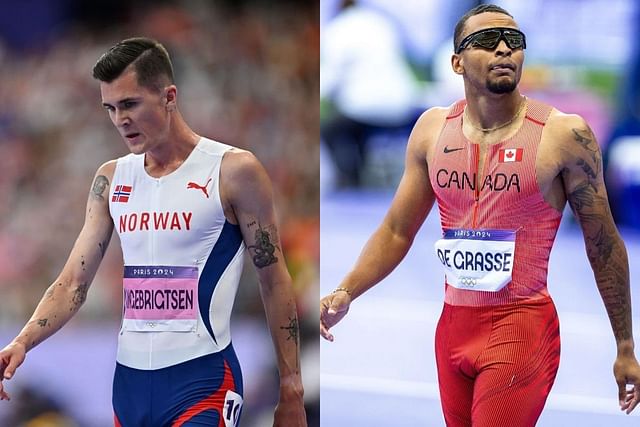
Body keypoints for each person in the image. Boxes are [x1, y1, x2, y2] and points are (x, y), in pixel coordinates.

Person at [320, 4, 640, 426]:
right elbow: (398, 229)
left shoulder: (564, 135)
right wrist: (346, 290)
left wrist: (624, 345)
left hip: (521, 330)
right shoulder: (432, 130)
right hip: (452, 330)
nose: (505, 49)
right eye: (488, 42)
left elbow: (603, 243)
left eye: (515, 42)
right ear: (457, 62)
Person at [0, 37, 307, 427]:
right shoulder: (111, 179)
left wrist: (291, 387)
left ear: (169, 97)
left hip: (202, 381)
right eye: (110, 108)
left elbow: (274, 279)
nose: (119, 120)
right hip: (129, 387)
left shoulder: (232, 171)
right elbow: (73, 282)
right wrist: (22, 341)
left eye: (129, 104)